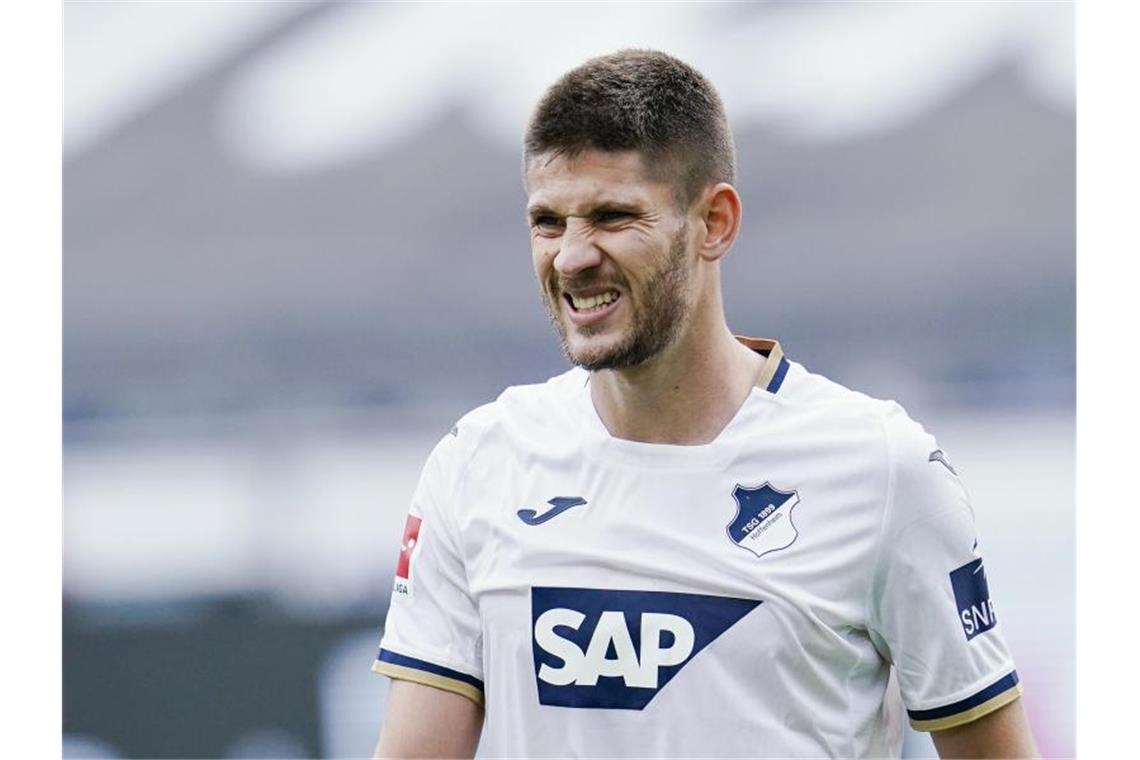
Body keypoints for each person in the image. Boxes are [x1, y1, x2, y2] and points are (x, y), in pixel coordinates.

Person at [370, 49, 1037, 758]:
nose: (571, 257)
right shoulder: (479, 462)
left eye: (612, 216)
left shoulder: (882, 468)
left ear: (714, 222)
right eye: (548, 222)